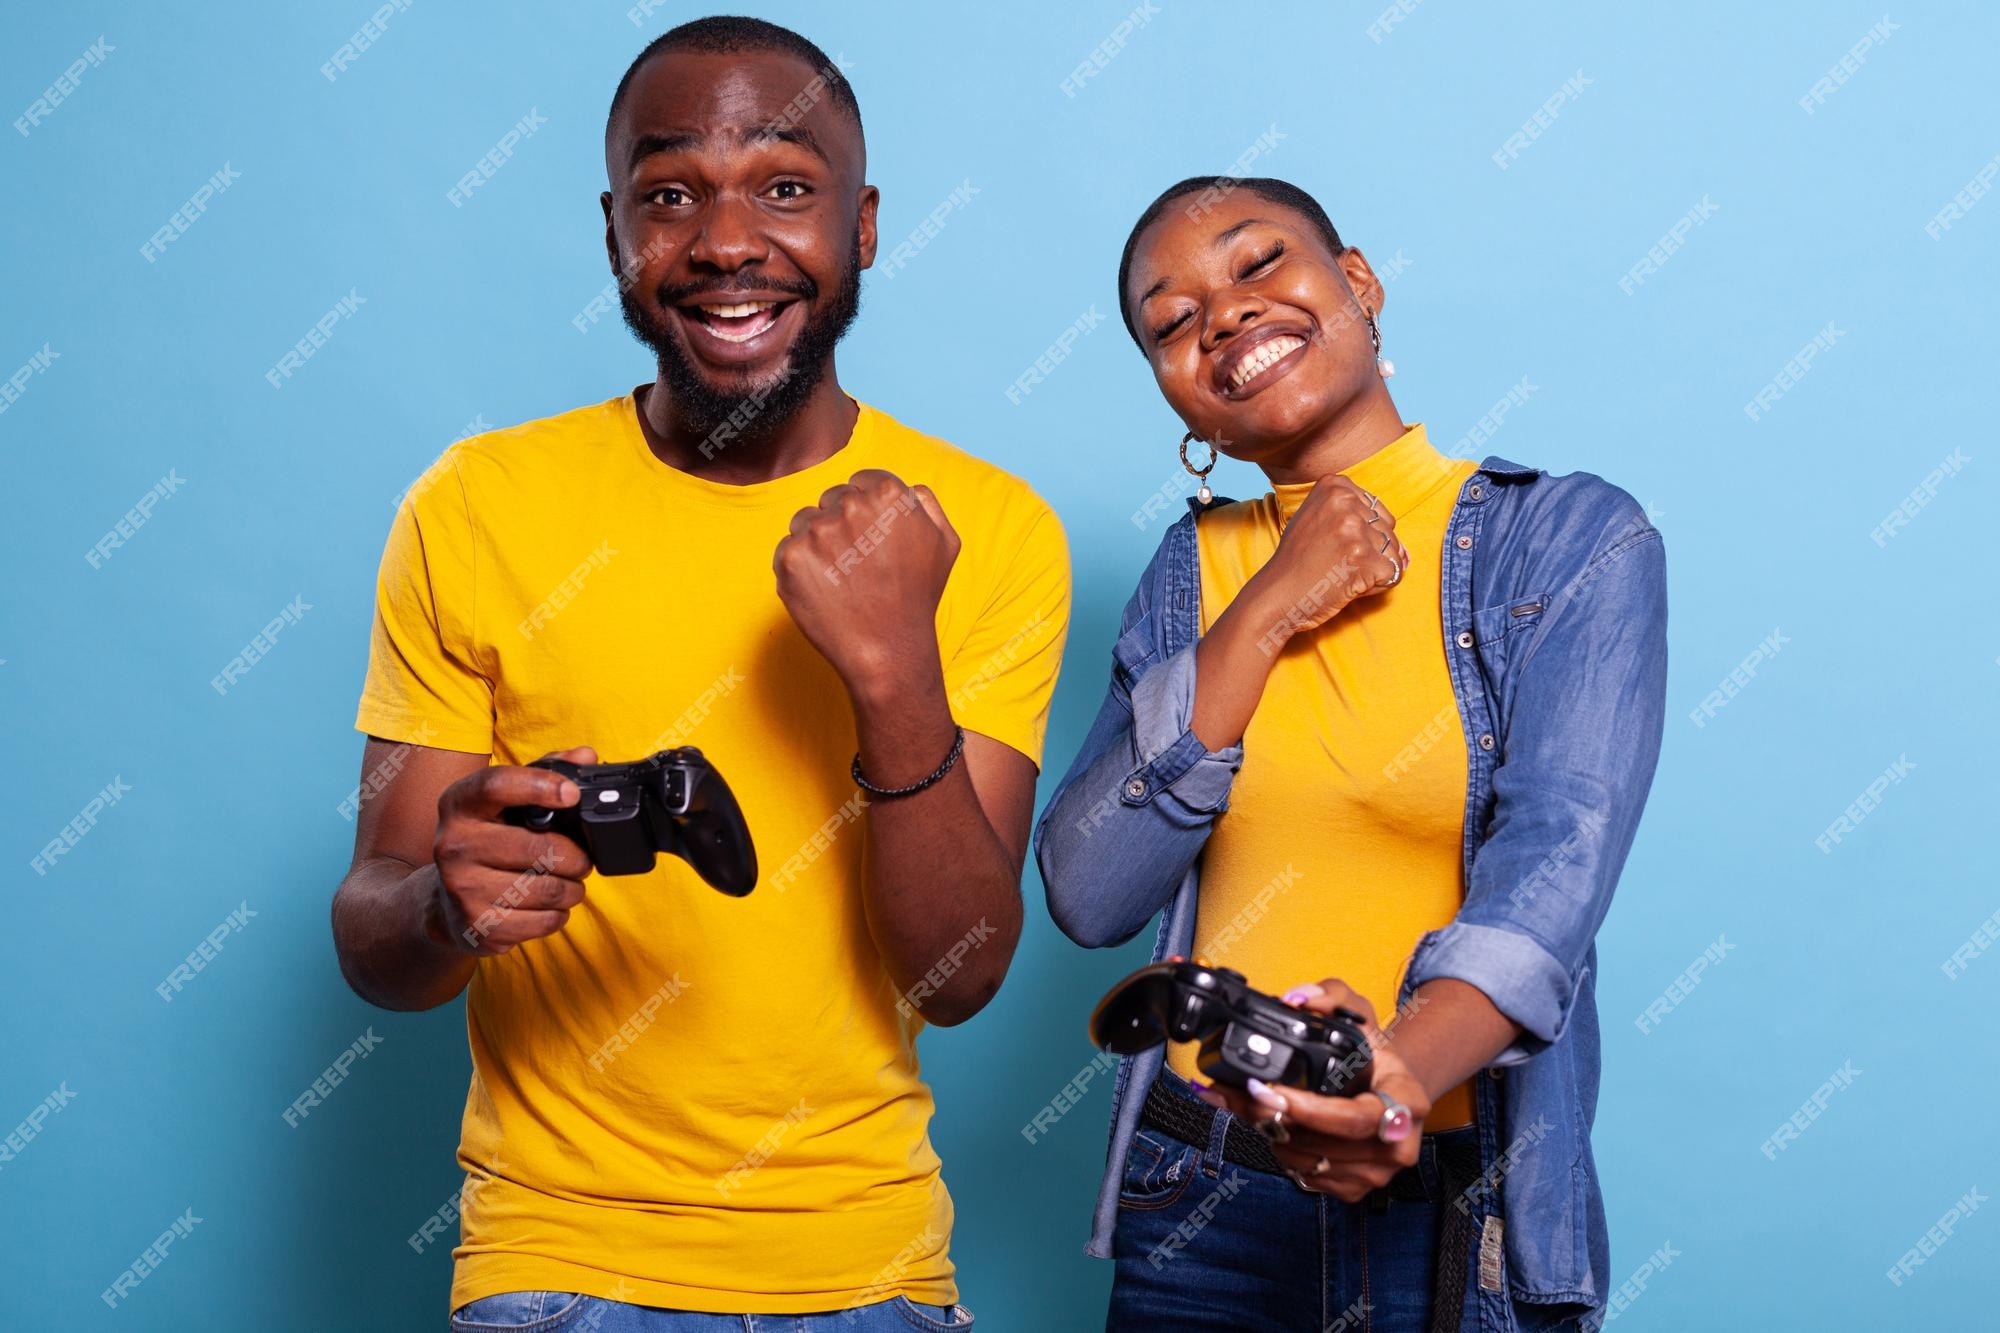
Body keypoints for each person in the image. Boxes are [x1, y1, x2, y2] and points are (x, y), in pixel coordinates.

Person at [331, 18, 1069, 1330]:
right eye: (671, 195)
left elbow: (956, 974)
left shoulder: (985, 526)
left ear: (867, 222)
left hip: (872, 1273)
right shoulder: (478, 504)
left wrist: (895, 668)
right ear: (615, 229)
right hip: (557, 1270)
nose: (727, 241)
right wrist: (447, 903)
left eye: (785, 185)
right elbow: (373, 935)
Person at [1033, 176, 1666, 1332]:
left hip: (1454, 1202)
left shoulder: (1567, 539)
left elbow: (1553, 869)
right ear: (1178, 399)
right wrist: (1269, 604)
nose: (1219, 316)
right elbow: (1086, 890)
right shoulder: (1188, 582)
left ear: (1357, 283)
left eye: (1258, 262)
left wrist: (1395, 1081)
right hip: (1200, 1196)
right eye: (1170, 323)